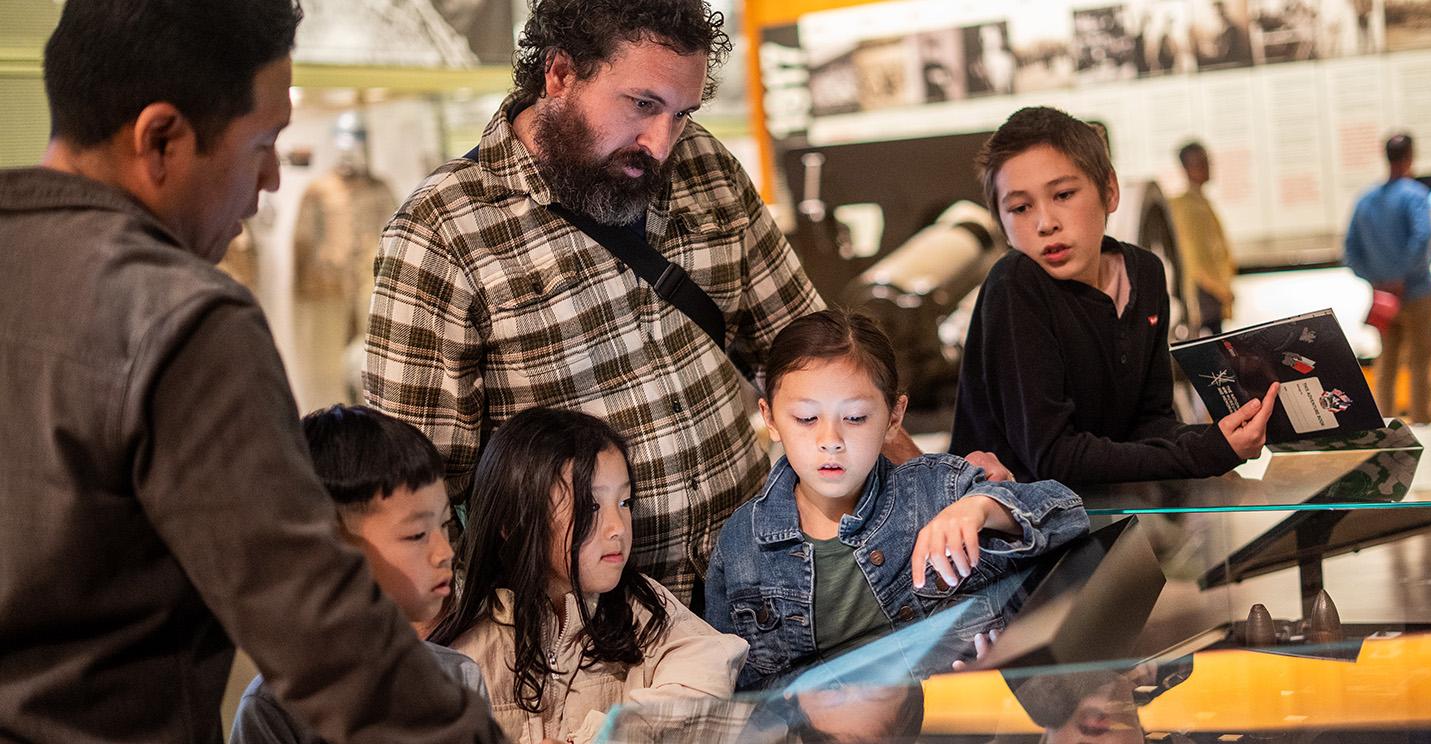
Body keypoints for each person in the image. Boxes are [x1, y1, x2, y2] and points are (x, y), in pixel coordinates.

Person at [0, 1, 503, 741]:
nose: (271, 178)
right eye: (263, 141)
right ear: (161, 138)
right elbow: (324, 638)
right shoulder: (183, 320)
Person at [363, 0, 827, 604]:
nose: (661, 143)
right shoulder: (441, 234)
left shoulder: (705, 165)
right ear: (560, 74)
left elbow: (810, 352)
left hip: (768, 591)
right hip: (593, 641)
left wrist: (922, 483)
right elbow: (417, 499)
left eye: (681, 113)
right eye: (642, 104)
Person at [707, 310, 1091, 691]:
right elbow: (737, 692)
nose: (830, 439)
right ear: (770, 418)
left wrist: (983, 507)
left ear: (894, 416)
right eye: (806, 418)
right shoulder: (741, 544)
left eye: (855, 417)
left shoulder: (935, 491)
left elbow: (1068, 514)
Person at [949, 107, 1278, 486]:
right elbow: (1054, 458)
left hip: (1111, 514)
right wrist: (1204, 452)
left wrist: (1219, 436)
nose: (1045, 223)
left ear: (1110, 191)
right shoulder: (1016, 284)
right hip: (1015, 528)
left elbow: (1151, 422)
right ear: (1001, 224)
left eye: (1063, 194)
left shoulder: (1146, 273)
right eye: (1020, 208)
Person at [429, 407, 747, 744]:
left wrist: (603, 736)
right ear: (514, 523)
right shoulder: (462, 649)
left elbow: (711, 666)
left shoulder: (640, 607)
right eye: (590, 507)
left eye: (624, 502)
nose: (617, 528)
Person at [233, 405, 492, 741]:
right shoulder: (274, 710)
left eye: (444, 526)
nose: (445, 552)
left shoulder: (459, 678)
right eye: (416, 534)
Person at [1345, 133, 1431, 424]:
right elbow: (1422, 237)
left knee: (1386, 364)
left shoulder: (1366, 200)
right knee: (1421, 363)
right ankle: (1423, 425)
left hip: (1383, 297)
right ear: (1410, 156)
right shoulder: (1415, 195)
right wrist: (1401, 276)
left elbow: (1350, 249)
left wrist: (1376, 279)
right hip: (1417, 293)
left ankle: (1383, 424)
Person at [1169, 142, 1237, 337]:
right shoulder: (1186, 206)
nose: (1206, 167)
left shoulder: (1200, 201)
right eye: (1199, 163)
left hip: (1213, 292)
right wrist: (1221, 289)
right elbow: (1195, 258)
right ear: (1186, 168)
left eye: (1207, 161)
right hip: (1205, 294)